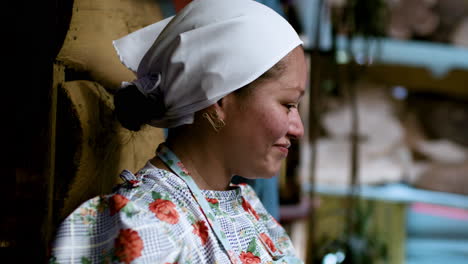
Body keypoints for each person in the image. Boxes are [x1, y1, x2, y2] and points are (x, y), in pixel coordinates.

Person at [50, 0, 307, 263]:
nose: (298, 129)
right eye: (288, 104)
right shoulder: (146, 228)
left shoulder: (249, 207)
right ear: (220, 100)